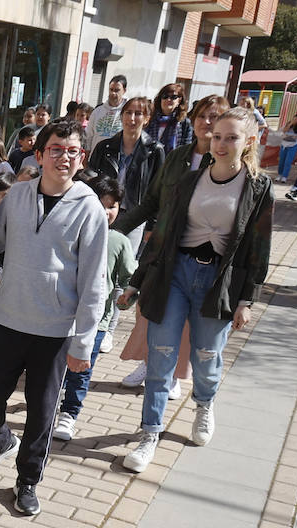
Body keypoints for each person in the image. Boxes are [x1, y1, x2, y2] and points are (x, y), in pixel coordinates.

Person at [0, 120, 108, 517]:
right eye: (56, 149)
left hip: (55, 330)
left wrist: (83, 342)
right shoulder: (18, 196)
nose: (64, 157)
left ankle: (27, 478)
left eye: (72, 151)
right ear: (40, 154)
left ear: (81, 159)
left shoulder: (90, 208)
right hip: (9, 319)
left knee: (41, 411)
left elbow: (94, 282)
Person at [121, 107, 273, 472]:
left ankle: (204, 405)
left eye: (231, 137)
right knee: (160, 358)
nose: (220, 144)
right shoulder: (190, 181)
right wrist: (137, 283)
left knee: (207, 357)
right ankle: (149, 434)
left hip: (217, 283)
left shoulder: (258, 187)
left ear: (249, 141)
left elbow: (259, 245)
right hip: (175, 274)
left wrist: (247, 298)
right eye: (217, 136)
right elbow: (162, 236)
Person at [115, 94, 230, 391]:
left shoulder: (224, 165)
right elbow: (151, 201)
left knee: (187, 320)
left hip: (199, 257)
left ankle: (176, 374)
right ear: (192, 119)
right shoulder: (177, 156)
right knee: (152, 310)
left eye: (215, 117)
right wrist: (115, 229)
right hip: (163, 250)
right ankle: (149, 364)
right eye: (203, 116)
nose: (208, 122)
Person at [53, 173, 138, 442]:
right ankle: (51, 403)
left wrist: (127, 296)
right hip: (61, 315)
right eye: (100, 202)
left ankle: (69, 413)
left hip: (96, 321)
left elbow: (128, 277)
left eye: (112, 205)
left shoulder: (119, 242)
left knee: (81, 369)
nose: (105, 210)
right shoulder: (68, 232)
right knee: (56, 365)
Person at [87, 95, 163, 351]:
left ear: (147, 118)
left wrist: (151, 225)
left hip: (135, 217)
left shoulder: (155, 151)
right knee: (97, 265)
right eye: (129, 112)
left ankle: (109, 327)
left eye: (139, 114)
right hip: (103, 211)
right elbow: (91, 180)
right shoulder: (106, 146)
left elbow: (157, 191)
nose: (132, 118)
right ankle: (92, 319)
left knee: (122, 273)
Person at [148, 84, 193, 154]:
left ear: (179, 100)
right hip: (151, 160)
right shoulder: (150, 119)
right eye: (165, 97)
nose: (168, 100)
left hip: (173, 161)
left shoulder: (184, 122)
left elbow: (186, 149)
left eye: (173, 97)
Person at [88, 75, 128, 150]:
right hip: (96, 157)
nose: (113, 93)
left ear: (124, 91)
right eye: (111, 89)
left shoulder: (128, 112)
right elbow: (89, 137)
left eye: (117, 90)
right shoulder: (97, 111)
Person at [277, 114, 297, 183]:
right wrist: (290, 124)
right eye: (293, 118)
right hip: (284, 145)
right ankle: (279, 174)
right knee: (281, 161)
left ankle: (284, 176)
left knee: (288, 162)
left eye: (296, 119)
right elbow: (284, 131)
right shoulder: (288, 125)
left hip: (292, 146)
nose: (294, 120)